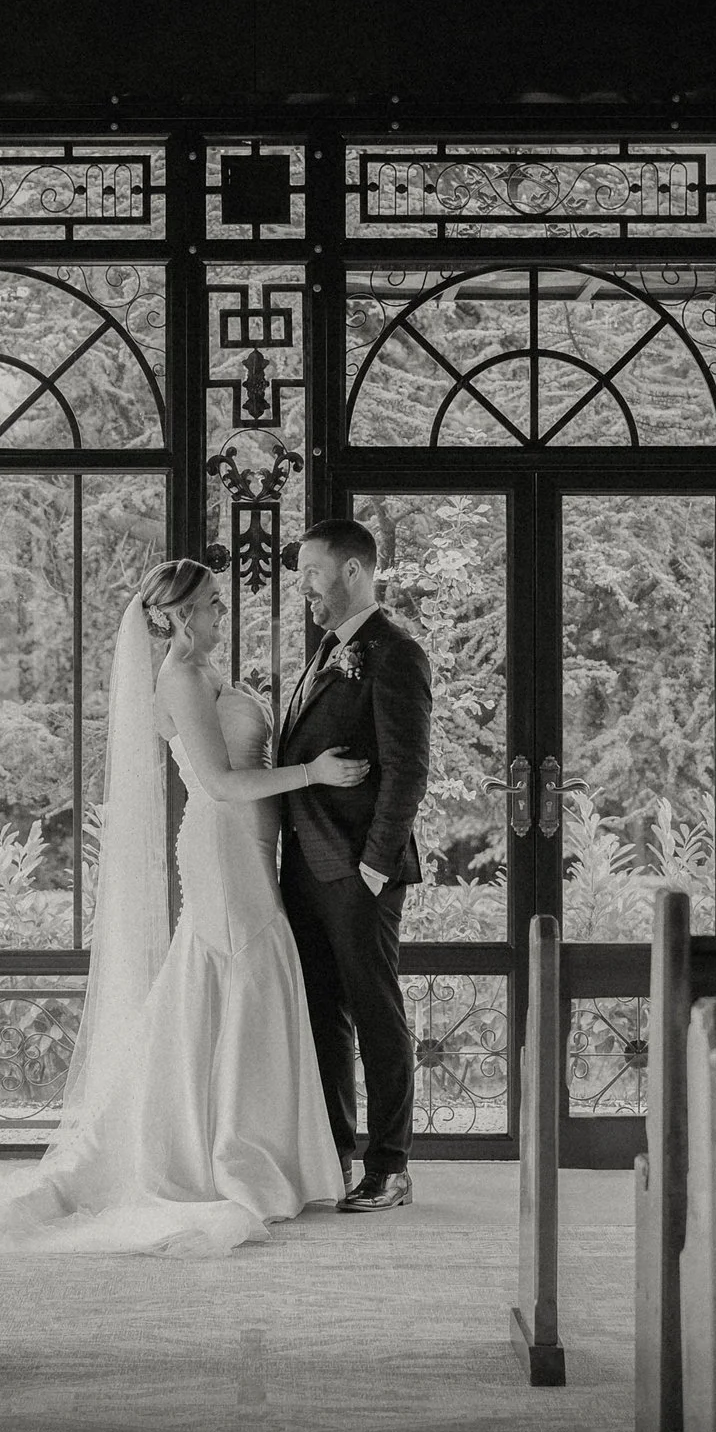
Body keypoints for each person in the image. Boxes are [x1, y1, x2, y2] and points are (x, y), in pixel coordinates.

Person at [0, 558, 365, 1256]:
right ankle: (228, 1152)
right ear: (174, 616)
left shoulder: (205, 672)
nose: (219, 615)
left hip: (253, 844)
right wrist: (315, 772)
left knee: (245, 979)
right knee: (240, 971)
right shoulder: (178, 677)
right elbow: (221, 782)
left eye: (217, 603)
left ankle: (252, 1145)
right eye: (209, 605)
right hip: (221, 843)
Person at [276, 518, 432, 1214]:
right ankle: (336, 1154)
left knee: (375, 1012)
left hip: (360, 869)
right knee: (323, 1015)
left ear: (351, 571)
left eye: (311, 570)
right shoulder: (327, 650)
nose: (301, 584)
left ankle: (391, 1165)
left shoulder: (394, 652)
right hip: (308, 866)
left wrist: (374, 867)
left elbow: (408, 770)